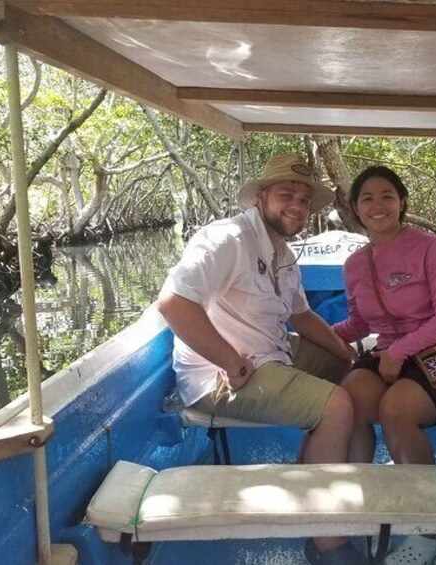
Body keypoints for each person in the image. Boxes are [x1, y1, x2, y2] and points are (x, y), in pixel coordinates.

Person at [157, 154, 366, 565]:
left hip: (272, 351)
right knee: (336, 405)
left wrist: (348, 355)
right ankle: (326, 541)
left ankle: (316, 485)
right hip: (220, 376)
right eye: (286, 194)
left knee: (353, 374)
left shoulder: (283, 253)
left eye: (304, 200)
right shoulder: (226, 240)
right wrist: (231, 362)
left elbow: (302, 316)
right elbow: (174, 305)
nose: (297, 206)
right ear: (260, 196)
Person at [333, 165, 436, 565]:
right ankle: (363, 506)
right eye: (367, 198)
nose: (377, 205)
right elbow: (358, 324)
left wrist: (399, 351)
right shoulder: (355, 264)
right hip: (390, 354)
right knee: (345, 401)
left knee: (395, 409)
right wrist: (310, 335)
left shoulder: (431, 248)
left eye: (387, 195)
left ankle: (429, 528)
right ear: (355, 209)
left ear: (402, 202)